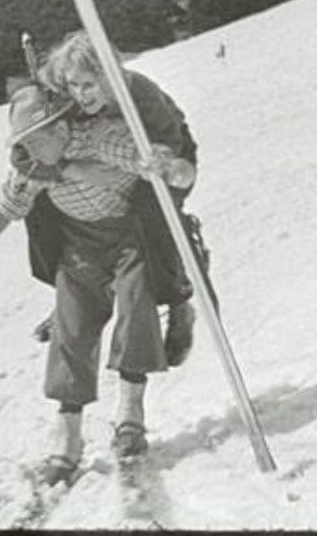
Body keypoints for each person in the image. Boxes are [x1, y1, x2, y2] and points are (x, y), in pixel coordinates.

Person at [0, 84, 195, 485]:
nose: (29, 149)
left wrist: (168, 166)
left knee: (135, 306)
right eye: (23, 142)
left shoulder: (99, 138)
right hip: (80, 244)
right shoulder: (33, 165)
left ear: (59, 129)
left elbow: (140, 159)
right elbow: (5, 211)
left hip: (130, 234)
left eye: (35, 139)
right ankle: (68, 437)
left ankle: (130, 415)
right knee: (71, 327)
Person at [22, 30, 204, 367]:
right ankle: (69, 297)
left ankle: (178, 300)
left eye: (89, 85)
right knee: (39, 205)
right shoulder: (63, 98)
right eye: (73, 85)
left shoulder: (140, 92)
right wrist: (67, 169)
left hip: (160, 158)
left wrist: (154, 164)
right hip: (102, 160)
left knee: (149, 212)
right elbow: (23, 154)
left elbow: (171, 145)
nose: (80, 94)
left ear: (109, 75)